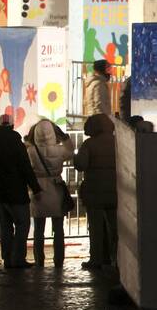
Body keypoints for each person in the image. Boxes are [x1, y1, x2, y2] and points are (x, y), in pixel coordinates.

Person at [0, 114, 41, 269]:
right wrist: (35, 187)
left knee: (5, 226)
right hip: (17, 191)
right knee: (22, 224)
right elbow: (25, 167)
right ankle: (18, 258)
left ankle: (7, 258)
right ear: (12, 125)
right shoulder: (16, 142)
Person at [27, 119, 74, 268]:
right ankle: (59, 259)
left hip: (38, 190)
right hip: (56, 188)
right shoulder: (60, 150)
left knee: (39, 230)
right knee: (58, 228)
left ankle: (39, 260)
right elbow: (70, 151)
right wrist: (64, 137)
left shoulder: (31, 151)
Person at [74, 114, 118, 270]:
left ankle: (97, 259)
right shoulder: (117, 142)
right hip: (115, 191)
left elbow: (81, 164)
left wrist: (75, 157)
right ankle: (117, 259)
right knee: (115, 228)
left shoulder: (89, 144)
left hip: (95, 192)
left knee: (96, 228)